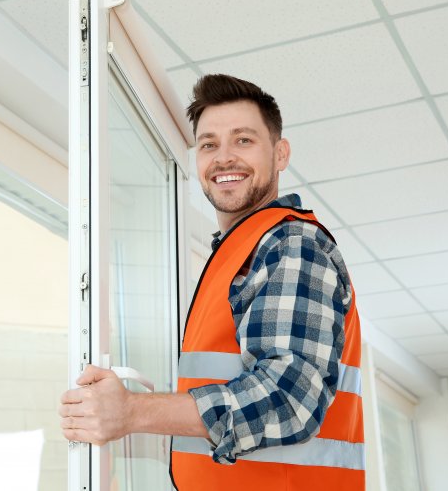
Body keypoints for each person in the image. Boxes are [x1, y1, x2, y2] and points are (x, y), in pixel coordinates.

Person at [60, 74, 364, 490]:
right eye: (208, 144)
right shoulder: (237, 253)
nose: (224, 158)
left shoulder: (292, 244)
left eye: (243, 140)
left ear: (280, 154)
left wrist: (132, 411)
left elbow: (290, 400)